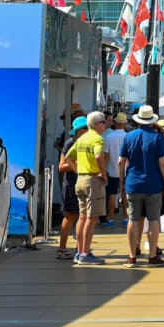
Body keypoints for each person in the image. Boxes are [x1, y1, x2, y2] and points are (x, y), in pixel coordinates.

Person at [119, 104, 164, 268]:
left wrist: (122, 181)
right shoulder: (157, 138)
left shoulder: (128, 137)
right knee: (154, 220)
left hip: (133, 184)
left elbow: (121, 162)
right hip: (154, 184)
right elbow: (163, 163)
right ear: (151, 120)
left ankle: (131, 256)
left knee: (133, 220)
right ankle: (152, 256)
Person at [65, 110, 109, 266]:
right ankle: (85, 253)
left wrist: (78, 170)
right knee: (92, 218)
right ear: (96, 124)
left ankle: (79, 252)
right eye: (103, 122)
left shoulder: (82, 138)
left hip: (81, 179)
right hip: (92, 180)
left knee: (82, 217)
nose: (105, 124)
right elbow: (99, 156)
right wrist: (103, 174)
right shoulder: (97, 139)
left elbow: (68, 156)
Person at [56, 115, 87, 259]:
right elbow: (61, 167)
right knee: (70, 216)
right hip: (71, 185)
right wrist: (75, 162)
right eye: (85, 128)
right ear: (79, 130)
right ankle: (62, 249)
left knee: (83, 216)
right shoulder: (70, 143)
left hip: (83, 184)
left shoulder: (85, 142)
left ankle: (80, 249)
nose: (88, 130)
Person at [102, 115, 126, 225]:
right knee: (125, 194)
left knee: (112, 194)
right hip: (125, 170)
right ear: (124, 124)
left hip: (111, 170)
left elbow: (106, 156)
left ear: (115, 123)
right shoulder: (128, 136)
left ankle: (111, 219)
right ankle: (125, 218)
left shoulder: (109, 137)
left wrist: (104, 171)